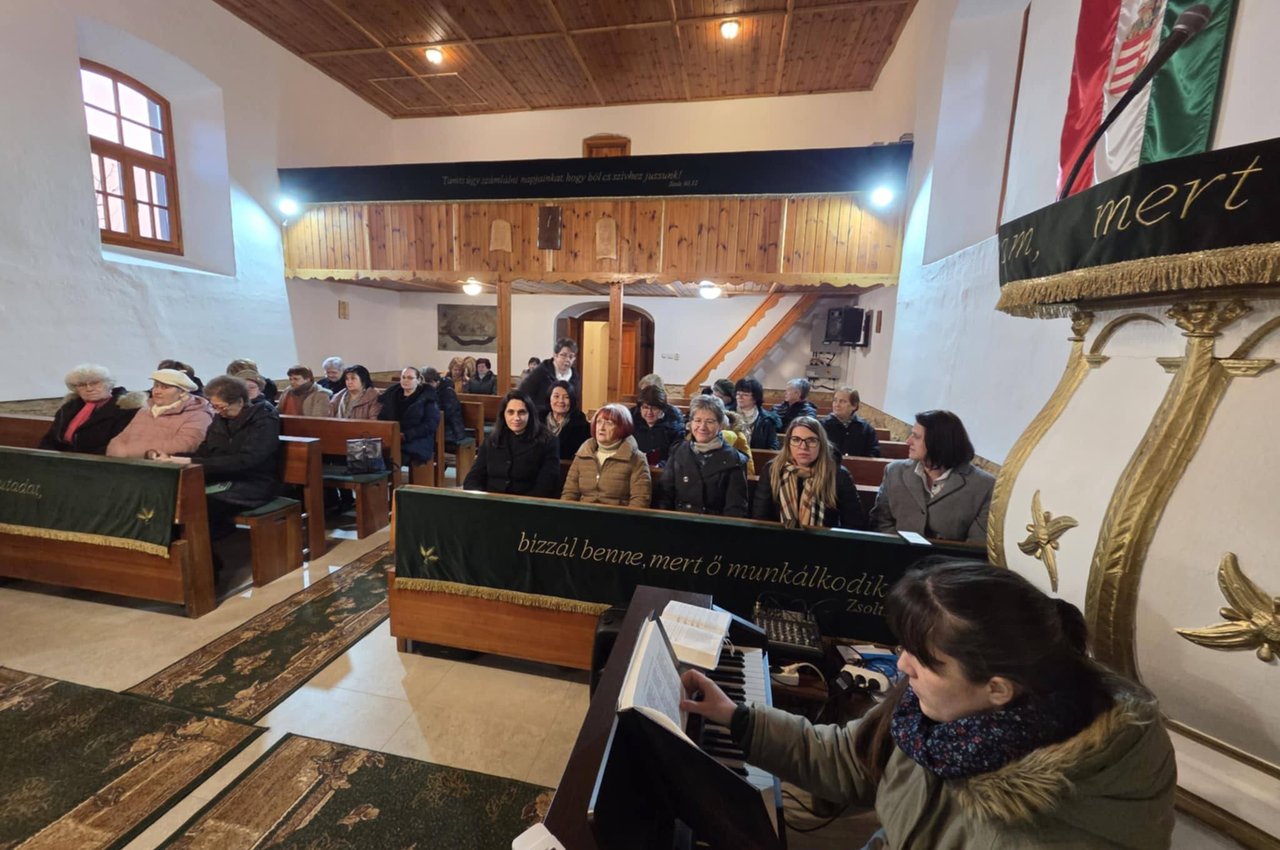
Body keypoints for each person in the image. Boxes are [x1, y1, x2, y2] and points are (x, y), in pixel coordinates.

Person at [680, 559, 1176, 850]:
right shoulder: (940, 715)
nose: (902, 664)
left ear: (998, 689)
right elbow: (852, 759)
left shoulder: (1047, 824)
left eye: (923, 660)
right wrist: (736, 718)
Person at [154, 375, 281, 540]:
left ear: (240, 401)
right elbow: (204, 452)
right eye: (213, 406)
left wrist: (191, 462)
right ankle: (177, 550)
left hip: (252, 483)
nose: (217, 411)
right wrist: (172, 458)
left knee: (196, 504)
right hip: (219, 478)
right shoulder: (220, 419)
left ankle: (206, 552)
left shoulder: (264, 418)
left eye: (221, 407)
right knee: (169, 497)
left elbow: (248, 459)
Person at [871, 410, 994, 544]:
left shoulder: (984, 486)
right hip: (896, 553)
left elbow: (975, 544)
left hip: (949, 557)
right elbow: (881, 522)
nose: (908, 441)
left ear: (938, 442)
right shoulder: (895, 472)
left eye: (916, 436)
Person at [751, 416, 865, 529]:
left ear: (821, 444)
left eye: (811, 440)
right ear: (788, 443)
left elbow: (854, 524)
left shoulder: (838, 475)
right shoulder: (773, 469)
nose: (803, 447)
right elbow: (760, 518)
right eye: (796, 440)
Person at [656, 395, 748, 517]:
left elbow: (735, 509)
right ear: (691, 423)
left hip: (714, 525)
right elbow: (664, 497)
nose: (702, 427)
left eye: (709, 422)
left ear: (720, 425)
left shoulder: (734, 460)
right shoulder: (678, 451)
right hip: (679, 521)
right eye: (697, 420)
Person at [463, 390, 560, 497]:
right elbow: (473, 478)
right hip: (491, 500)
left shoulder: (548, 442)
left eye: (522, 412)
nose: (516, 418)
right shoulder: (492, 439)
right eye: (510, 412)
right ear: (503, 414)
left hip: (527, 502)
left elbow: (546, 485)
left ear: (530, 414)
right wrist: (481, 498)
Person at [107, 368, 213, 458]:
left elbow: (185, 445)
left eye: (165, 387)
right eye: (156, 386)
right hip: (129, 466)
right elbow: (122, 438)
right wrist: (114, 450)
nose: (157, 391)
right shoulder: (145, 409)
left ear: (182, 392)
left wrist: (130, 452)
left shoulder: (198, 414)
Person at [562, 403, 651, 508]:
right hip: (584, 514)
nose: (601, 428)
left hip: (618, 516)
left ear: (622, 427)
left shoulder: (636, 458)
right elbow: (569, 493)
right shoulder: (583, 454)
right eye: (599, 422)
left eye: (609, 423)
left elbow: (640, 500)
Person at [39, 364, 142, 454]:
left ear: (108, 384)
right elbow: (50, 439)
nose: (89, 389)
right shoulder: (68, 408)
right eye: (82, 385)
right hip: (60, 460)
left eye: (95, 383)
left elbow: (118, 445)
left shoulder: (125, 409)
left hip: (99, 462)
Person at [378, 366, 441, 471]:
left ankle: (391, 479)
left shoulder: (427, 399)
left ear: (418, 380)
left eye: (410, 378)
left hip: (417, 440)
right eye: (403, 377)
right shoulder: (392, 395)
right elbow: (382, 417)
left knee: (392, 458)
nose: (405, 380)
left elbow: (430, 424)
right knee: (374, 454)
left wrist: (406, 435)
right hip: (393, 438)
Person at [518, 338, 579, 419]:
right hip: (540, 419)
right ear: (555, 355)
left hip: (564, 420)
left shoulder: (574, 377)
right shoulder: (542, 371)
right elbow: (523, 393)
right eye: (563, 355)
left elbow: (574, 403)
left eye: (571, 357)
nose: (567, 360)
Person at [631, 384, 685, 466]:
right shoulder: (631, 420)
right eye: (645, 407)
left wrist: (660, 466)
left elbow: (677, 455)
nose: (649, 412)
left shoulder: (674, 425)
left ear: (663, 409)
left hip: (663, 469)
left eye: (654, 408)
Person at [823, 386, 881, 458]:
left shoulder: (866, 428)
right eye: (835, 400)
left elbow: (874, 452)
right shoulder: (823, 425)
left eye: (842, 401)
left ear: (854, 406)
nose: (837, 405)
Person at [544, 380, 590, 460]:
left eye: (566, 397)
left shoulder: (581, 426)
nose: (561, 401)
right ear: (549, 399)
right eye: (556, 396)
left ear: (572, 400)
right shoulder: (537, 420)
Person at [733, 377, 781, 450]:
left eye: (745, 395)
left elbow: (773, 446)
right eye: (738, 394)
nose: (739, 397)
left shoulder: (767, 419)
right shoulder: (727, 415)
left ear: (755, 398)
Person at [423, 367, 465, 445]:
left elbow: (446, 414)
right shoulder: (431, 390)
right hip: (439, 427)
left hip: (452, 430)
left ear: (434, 382)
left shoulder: (447, 392)